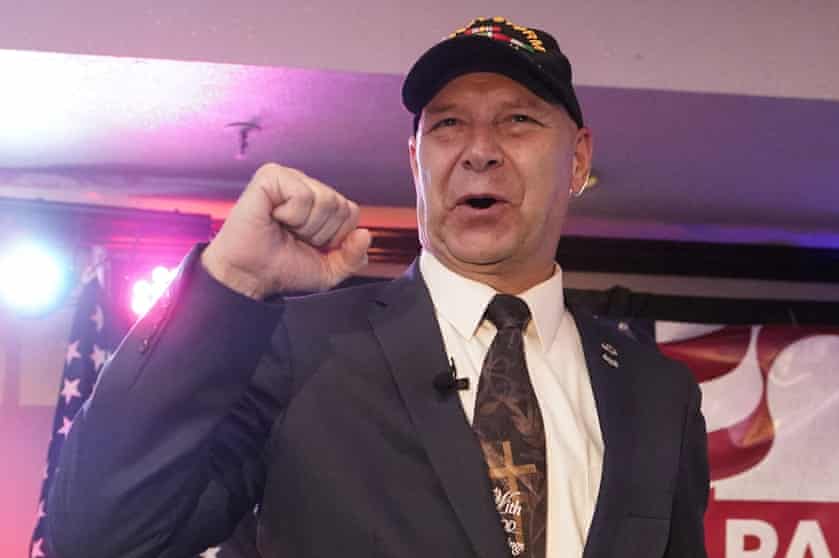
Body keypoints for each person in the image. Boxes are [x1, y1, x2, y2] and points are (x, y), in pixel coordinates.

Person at [46, 16, 708, 558]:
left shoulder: (657, 394)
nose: (479, 150)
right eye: (447, 124)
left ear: (579, 159)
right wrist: (231, 282)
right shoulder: (303, 348)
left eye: (518, 121)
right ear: (416, 160)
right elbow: (101, 538)